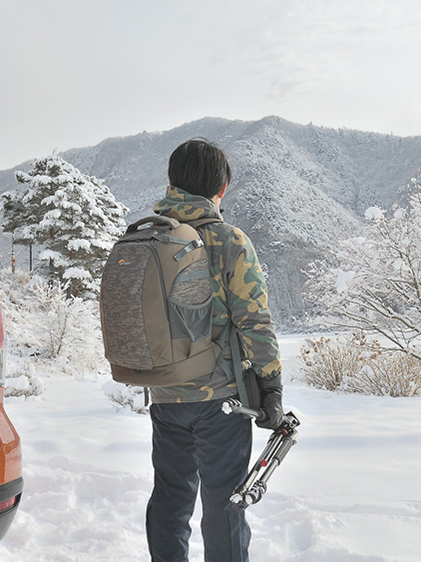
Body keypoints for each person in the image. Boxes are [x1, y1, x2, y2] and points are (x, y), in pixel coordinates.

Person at [145, 138, 283, 562]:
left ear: (172, 182)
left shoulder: (149, 238)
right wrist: (272, 386)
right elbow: (254, 320)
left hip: (165, 395)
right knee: (226, 504)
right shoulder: (227, 240)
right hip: (221, 401)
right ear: (221, 189)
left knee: (170, 498)